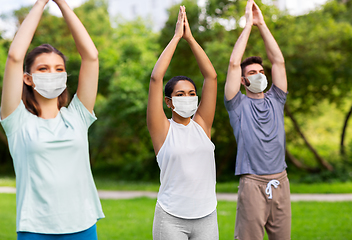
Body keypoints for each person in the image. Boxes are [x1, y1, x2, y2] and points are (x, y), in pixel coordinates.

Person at [0, 0, 104, 239]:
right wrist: (41, 3)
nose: (53, 74)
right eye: (43, 69)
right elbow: (15, 56)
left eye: (59, 69)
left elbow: (91, 57)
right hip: (35, 230)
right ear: (27, 78)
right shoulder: (16, 121)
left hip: (83, 226)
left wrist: (62, 4)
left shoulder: (78, 116)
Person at [147, 6, 218, 240]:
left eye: (191, 93)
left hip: (207, 216)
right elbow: (156, 78)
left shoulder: (202, 125)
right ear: (168, 102)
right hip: (171, 218)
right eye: (180, 94)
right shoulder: (163, 130)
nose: (187, 98)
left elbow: (211, 76)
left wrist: (191, 38)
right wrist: (177, 38)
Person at [224, 0, 291, 239]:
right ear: (243, 81)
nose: (259, 75)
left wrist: (262, 24)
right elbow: (233, 64)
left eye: (261, 72)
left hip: (281, 182)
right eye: (252, 73)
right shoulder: (237, 105)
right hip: (252, 184)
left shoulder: (276, 99)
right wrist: (247, 26)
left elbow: (279, 62)